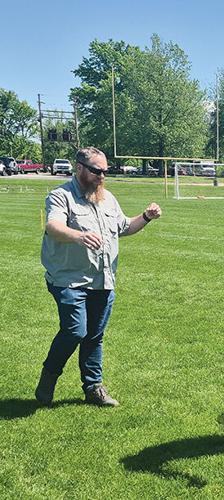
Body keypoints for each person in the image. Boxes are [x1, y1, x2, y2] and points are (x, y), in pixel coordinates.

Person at [35, 147, 162, 407]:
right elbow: (53, 227)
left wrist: (146, 217)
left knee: (94, 335)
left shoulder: (107, 199)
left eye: (105, 171)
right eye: (96, 171)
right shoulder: (61, 197)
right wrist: (79, 236)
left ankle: (93, 387)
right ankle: (49, 375)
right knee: (75, 330)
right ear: (79, 168)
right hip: (68, 279)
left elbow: (125, 227)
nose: (101, 176)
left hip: (102, 280)